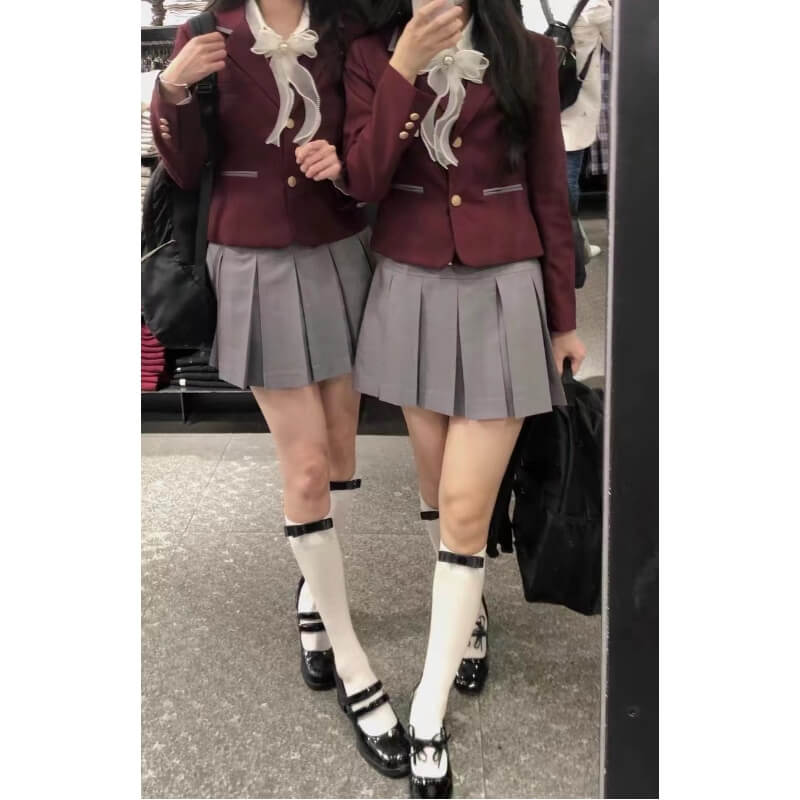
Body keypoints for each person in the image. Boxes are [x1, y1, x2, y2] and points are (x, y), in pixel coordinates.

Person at [150, 0, 411, 779]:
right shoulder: (207, 32)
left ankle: (311, 589)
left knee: (337, 453)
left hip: (338, 246)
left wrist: (346, 157)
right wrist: (170, 90)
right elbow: (185, 169)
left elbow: (370, 133)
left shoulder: (346, 26)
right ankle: (354, 668)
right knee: (304, 469)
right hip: (252, 255)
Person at [343, 0, 586, 795]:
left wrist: (563, 318)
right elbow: (364, 180)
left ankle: (427, 710)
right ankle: (470, 614)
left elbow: (550, 191)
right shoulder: (370, 53)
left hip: (505, 289)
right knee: (435, 488)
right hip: (408, 285)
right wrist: (403, 68)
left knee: (464, 504)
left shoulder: (527, 53)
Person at [524, 0, 613, 258]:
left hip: (529, 101)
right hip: (572, 107)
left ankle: (570, 243)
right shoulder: (594, 5)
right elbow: (621, 45)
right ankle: (569, 251)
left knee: (531, 178)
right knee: (565, 184)